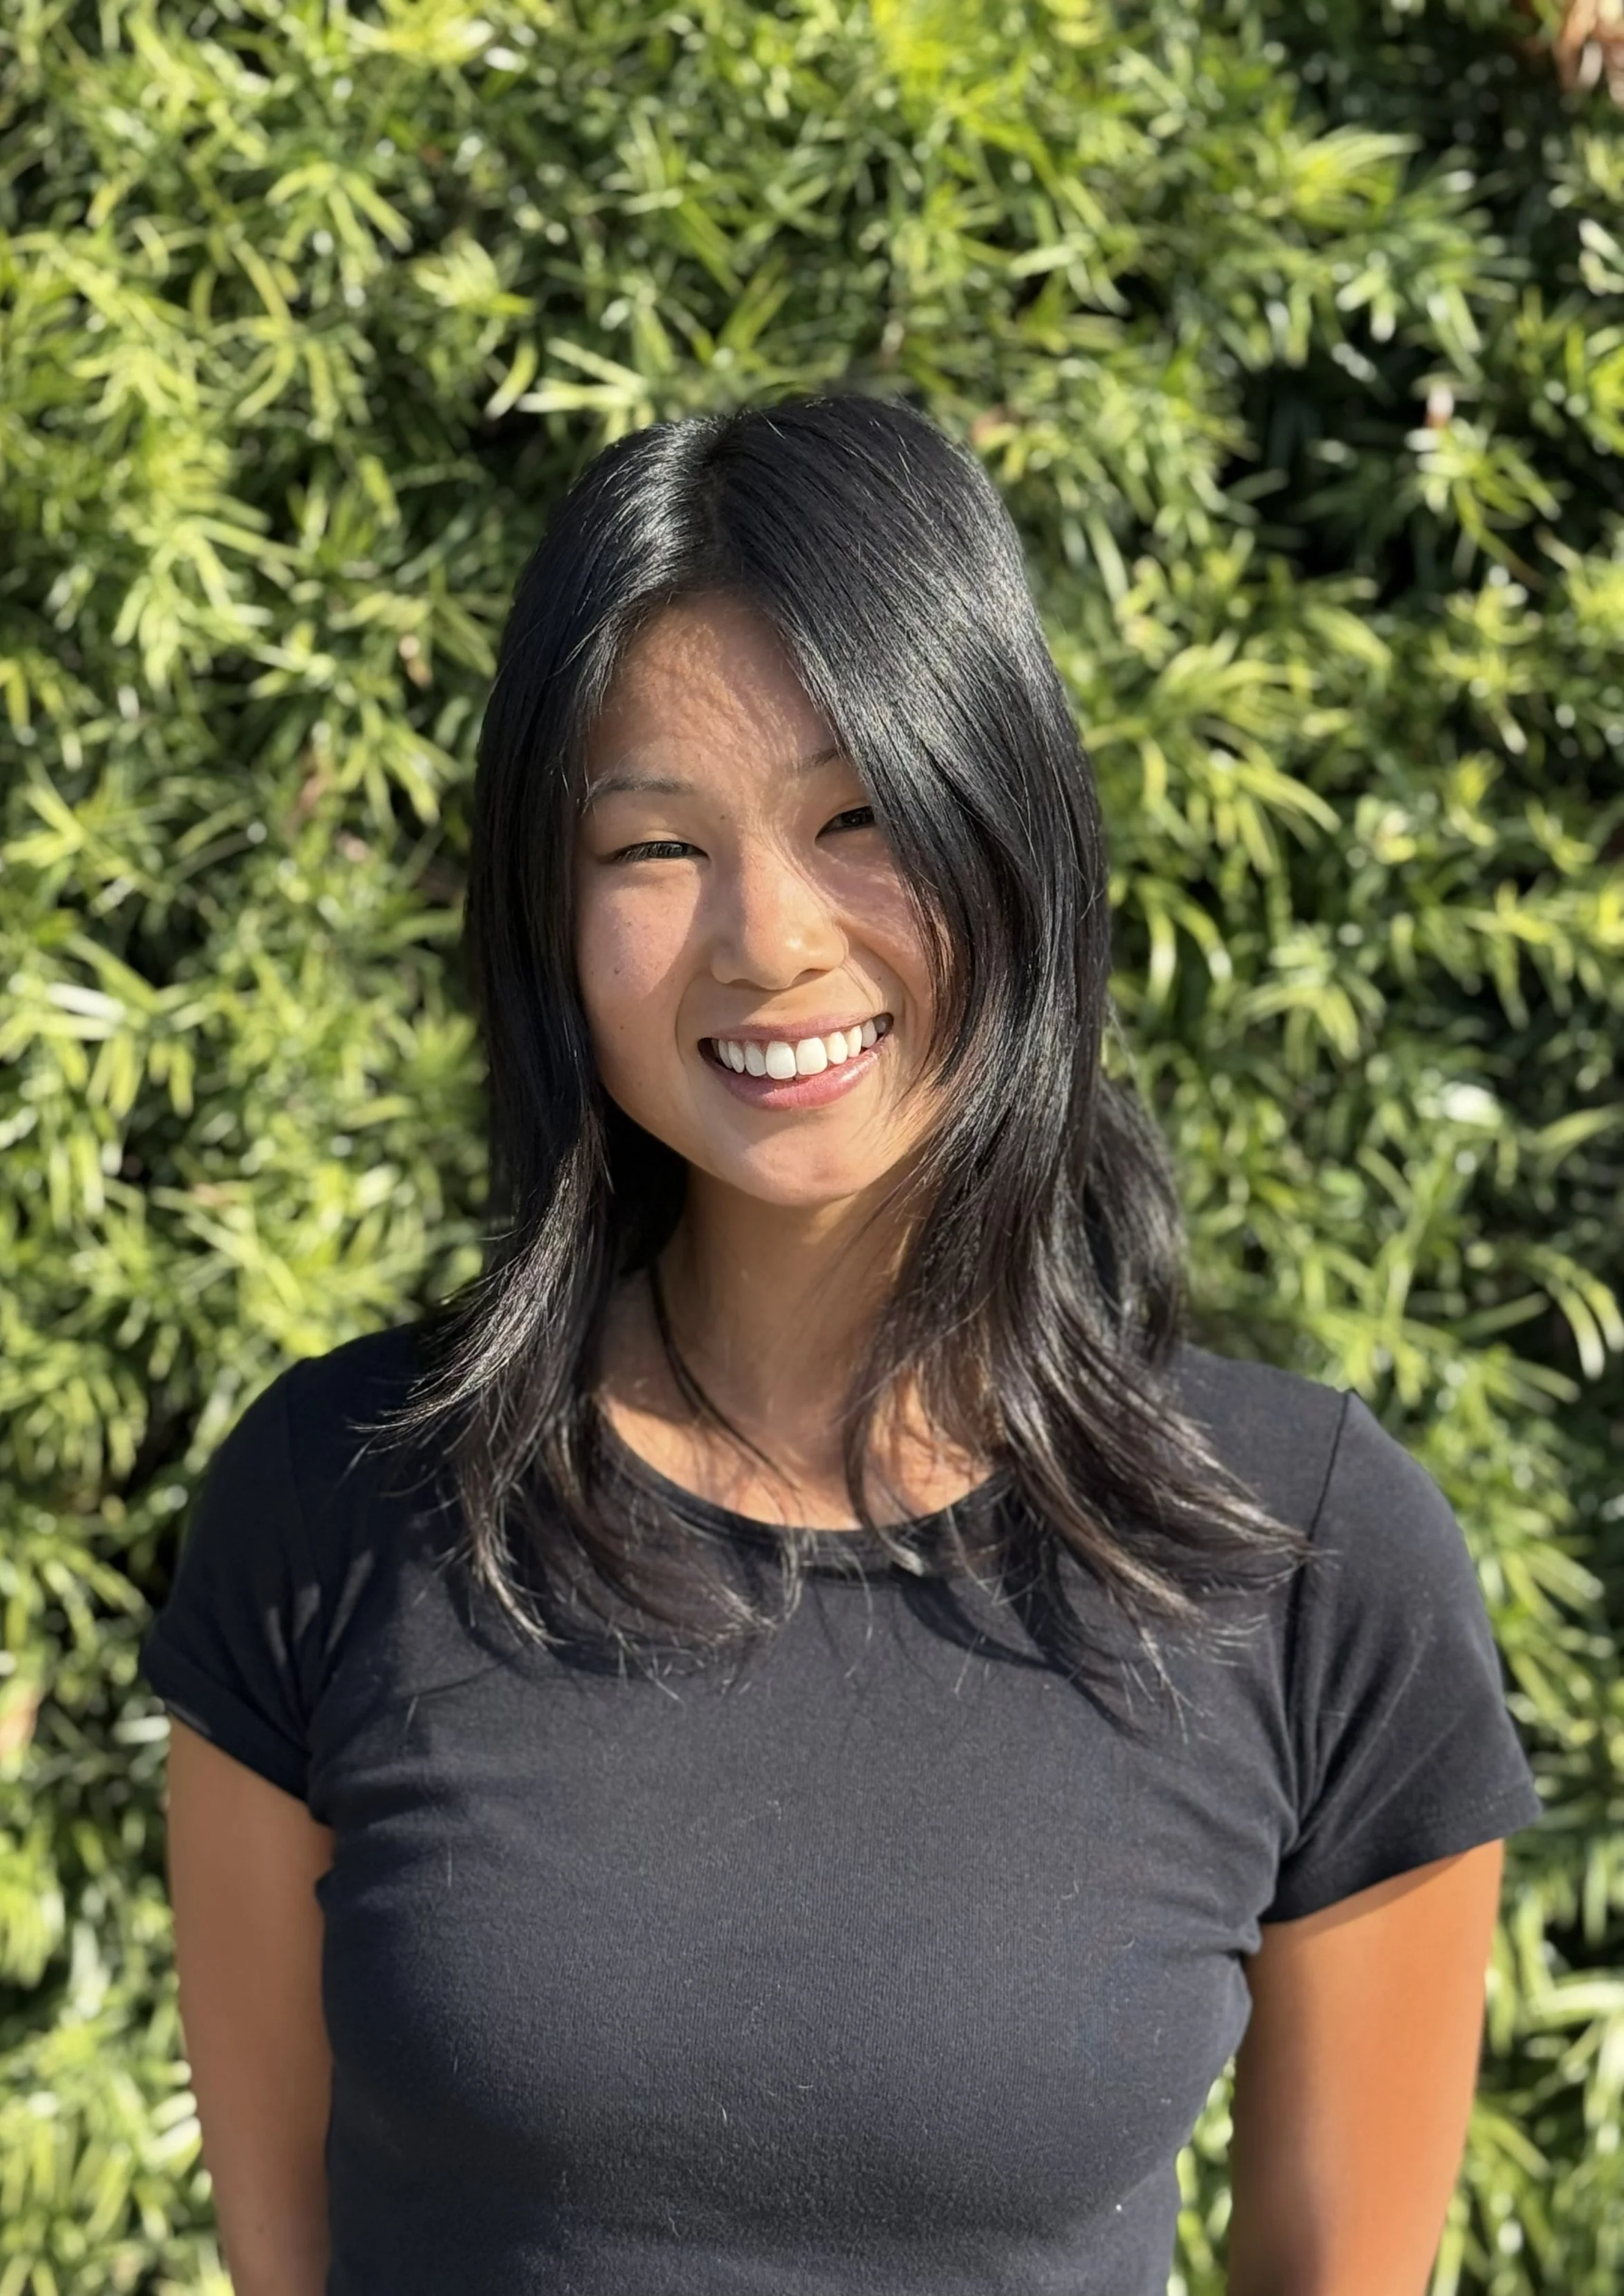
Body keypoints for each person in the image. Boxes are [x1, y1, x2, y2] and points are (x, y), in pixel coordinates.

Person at [142, 393, 1544, 2296]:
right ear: (546, 912)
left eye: (858, 816)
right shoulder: (339, 1502)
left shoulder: (1304, 1556)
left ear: (1009, 832)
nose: (769, 941)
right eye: (654, 847)